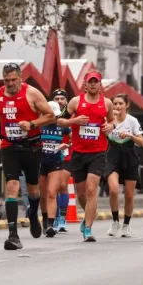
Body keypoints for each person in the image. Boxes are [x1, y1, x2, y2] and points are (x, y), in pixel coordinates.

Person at [0, 62, 55, 250]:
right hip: (9, 145)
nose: (9, 84)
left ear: (20, 78)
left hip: (32, 147)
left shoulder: (32, 93)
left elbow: (50, 116)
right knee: (12, 187)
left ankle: (33, 213)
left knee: (33, 190)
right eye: (6, 80)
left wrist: (33, 124)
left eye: (13, 80)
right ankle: (13, 235)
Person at [58, 71, 115, 241]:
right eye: (89, 82)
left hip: (98, 152)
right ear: (85, 84)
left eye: (95, 82)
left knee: (92, 189)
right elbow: (60, 121)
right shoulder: (76, 101)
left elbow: (112, 121)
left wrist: (110, 127)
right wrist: (73, 121)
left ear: (100, 85)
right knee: (81, 193)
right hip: (78, 152)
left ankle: (88, 229)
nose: (92, 84)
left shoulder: (106, 103)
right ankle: (89, 214)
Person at [105, 94, 143, 238]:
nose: (117, 106)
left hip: (129, 156)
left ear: (126, 105)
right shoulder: (108, 120)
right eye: (115, 103)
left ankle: (126, 224)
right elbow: (101, 135)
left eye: (120, 103)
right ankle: (115, 222)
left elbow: (142, 142)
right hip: (113, 156)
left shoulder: (132, 121)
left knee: (129, 194)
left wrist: (130, 136)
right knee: (113, 190)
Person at [38, 100, 70, 237]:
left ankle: (51, 224)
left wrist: (65, 145)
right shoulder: (38, 126)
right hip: (40, 162)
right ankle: (45, 220)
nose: (55, 118)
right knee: (43, 194)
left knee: (52, 192)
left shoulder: (62, 126)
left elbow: (72, 138)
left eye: (56, 116)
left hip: (55, 161)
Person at [53, 89, 71, 232]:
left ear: (66, 102)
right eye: (56, 98)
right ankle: (54, 216)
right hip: (51, 154)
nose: (59, 101)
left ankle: (62, 218)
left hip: (67, 154)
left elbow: (74, 136)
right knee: (53, 187)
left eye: (62, 99)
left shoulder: (71, 116)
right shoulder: (48, 116)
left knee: (63, 184)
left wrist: (68, 145)